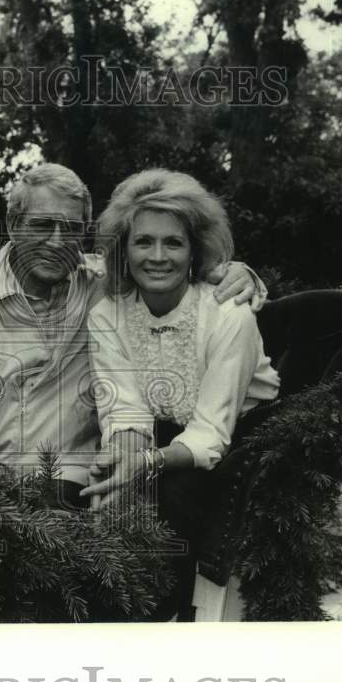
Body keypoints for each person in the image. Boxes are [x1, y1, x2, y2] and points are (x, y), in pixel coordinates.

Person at [0, 163, 267, 509]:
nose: (56, 242)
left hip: (70, 477)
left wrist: (240, 272)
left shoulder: (103, 287)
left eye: (71, 228)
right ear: (12, 225)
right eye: (42, 225)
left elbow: (163, 268)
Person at [79, 168, 280, 620]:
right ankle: (107, 607)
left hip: (240, 436)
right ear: (123, 250)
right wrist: (123, 462)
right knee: (102, 488)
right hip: (163, 432)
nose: (157, 256)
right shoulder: (108, 312)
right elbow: (126, 408)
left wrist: (146, 463)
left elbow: (210, 432)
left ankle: (162, 614)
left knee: (176, 488)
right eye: (143, 241)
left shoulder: (230, 315)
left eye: (173, 243)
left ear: (195, 252)